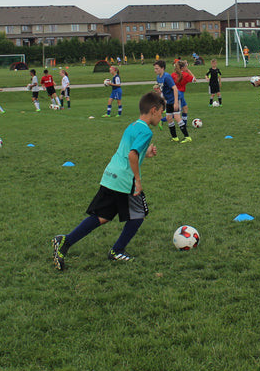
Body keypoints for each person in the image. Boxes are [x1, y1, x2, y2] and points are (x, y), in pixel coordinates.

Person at [51, 91, 166, 269]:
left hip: (111, 174)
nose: (161, 116)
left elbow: (131, 151)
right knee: (139, 214)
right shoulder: (146, 131)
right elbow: (132, 154)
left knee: (102, 216)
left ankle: (65, 240)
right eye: (161, 112)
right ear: (153, 110)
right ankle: (117, 251)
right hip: (124, 180)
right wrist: (137, 180)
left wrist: (146, 153)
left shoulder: (132, 126)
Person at [154, 59, 190, 142]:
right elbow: (164, 90)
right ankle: (175, 137)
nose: (155, 70)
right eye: (154, 68)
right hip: (169, 100)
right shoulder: (158, 78)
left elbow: (175, 88)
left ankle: (187, 137)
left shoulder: (167, 77)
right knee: (169, 118)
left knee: (177, 117)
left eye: (157, 68)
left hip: (175, 99)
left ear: (162, 68)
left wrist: (176, 102)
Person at [171, 59, 195, 127]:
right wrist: (189, 71)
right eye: (186, 67)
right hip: (180, 94)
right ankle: (162, 120)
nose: (186, 68)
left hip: (174, 93)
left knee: (185, 108)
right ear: (183, 68)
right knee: (177, 112)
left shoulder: (173, 75)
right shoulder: (185, 75)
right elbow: (194, 79)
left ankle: (184, 124)